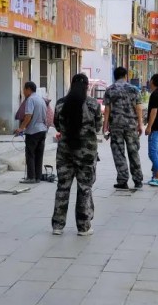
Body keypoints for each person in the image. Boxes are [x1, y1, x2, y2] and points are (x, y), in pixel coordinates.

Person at [52, 73, 102, 236]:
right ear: (87, 87)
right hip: (86, 153)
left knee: (62, 187)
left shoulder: (60, 104)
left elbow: (57, 125)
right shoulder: (93, 104)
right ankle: (83, 226)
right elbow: (98, 127)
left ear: (72, 85)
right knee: (84, 188)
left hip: (65, 152)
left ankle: (58, 226)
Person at [103, 67, 144, 189]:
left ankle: (122, 180)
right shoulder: (134, 89)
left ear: (115, 76)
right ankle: (138, 180)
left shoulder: (110, 90)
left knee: (118, 153)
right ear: (126, 76)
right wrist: (140, 124)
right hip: (131, 126)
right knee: (133, 152)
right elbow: (139, 108)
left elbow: (107, 109)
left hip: (116, 126)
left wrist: (105, 126)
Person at [16, 82, 49, 184]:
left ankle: (31, 177)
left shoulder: (30, 99)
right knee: (39, 154)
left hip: (33, 131)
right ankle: (38, 176)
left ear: (28, 89)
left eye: (24, 89)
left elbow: (28, 116)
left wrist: (21, 128)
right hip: (42, 130)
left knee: (30, 154)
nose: (23, 92)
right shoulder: (41, 99)